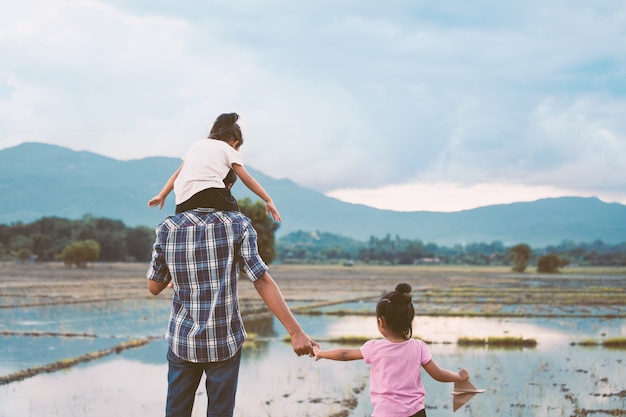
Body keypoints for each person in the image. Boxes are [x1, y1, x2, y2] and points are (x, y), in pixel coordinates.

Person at [147, 207, 316, 417]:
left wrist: (179, 271)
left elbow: (154, 287)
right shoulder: (237, 225)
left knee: (176, 412)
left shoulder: (168, 227)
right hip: (224, 340)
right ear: (226, 187)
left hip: (182, 340)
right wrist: (295, 331)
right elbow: (261, 280)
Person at [314, 283, 470, 417]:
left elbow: (344, 354)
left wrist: (321, 353)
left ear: (380, 322)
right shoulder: (419, 347)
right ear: (409, 320)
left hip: (386, 412)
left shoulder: (375, 347)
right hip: (416, 412)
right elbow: (438, 374)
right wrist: (458, 377)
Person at [148, 112, 281, 221]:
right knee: (236, 221)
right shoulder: (228, 149)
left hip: (183, 199)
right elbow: (246, 178)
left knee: (187, 226)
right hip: (212, 193)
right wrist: (268, 199)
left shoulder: (197, 144)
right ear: (235, 143)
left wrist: (162, 195)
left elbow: (177, 174)